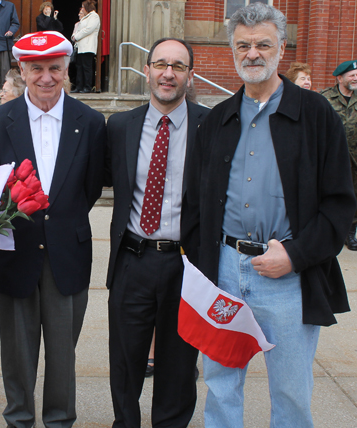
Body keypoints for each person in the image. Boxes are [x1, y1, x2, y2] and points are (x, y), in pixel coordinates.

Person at [181, 3, 356, 427]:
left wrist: (296, 255)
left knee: (291, 392)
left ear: (280, 48)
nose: (252, 53)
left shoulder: (317, 116)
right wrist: (202, 269)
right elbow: (195, 204)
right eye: (243, 45)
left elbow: (340, 204)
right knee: (220, 384)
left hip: (289, 277)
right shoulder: (217, 120)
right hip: (224, 270)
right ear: (232, 52)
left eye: (263, 44)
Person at [0, 31, 105, 428]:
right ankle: (19, 417)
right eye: (36, 69)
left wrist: (61, 223)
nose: (46, 77)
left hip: (68, 252)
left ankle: (60, 419)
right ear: (22, 69)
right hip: (14, 254)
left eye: (54, 68)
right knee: (16, 349)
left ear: (67, 68)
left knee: (63, 351)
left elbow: (91, 188)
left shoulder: (92, 121)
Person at [104, 37, 209, 428]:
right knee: (126, 361)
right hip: (133, 260)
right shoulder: (119, 126)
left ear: (189, 75)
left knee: (179, 365)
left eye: (178, 66)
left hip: (186, 264)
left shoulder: (209, 125)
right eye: (161, 64)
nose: (168, 73)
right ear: (146, 70)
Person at [321, 60, 357, 250]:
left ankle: (350, 233)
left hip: (355, 156)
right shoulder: (325, 97)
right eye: (352, 75)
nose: (356, 78)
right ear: (340, 77)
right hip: (332, 157)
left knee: (354, 195)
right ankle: (331, 229)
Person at [71, 0, 100, 93]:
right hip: (80, 47)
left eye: (83, 7)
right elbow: (79, 28)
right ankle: (79, 86)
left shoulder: (94, 16)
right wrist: (74, 36)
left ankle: (87, 87)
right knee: (79, 67)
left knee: (86, 68)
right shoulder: (85, 17)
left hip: (88, 46)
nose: (82, 9)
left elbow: (88, 29)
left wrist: (77, 36)